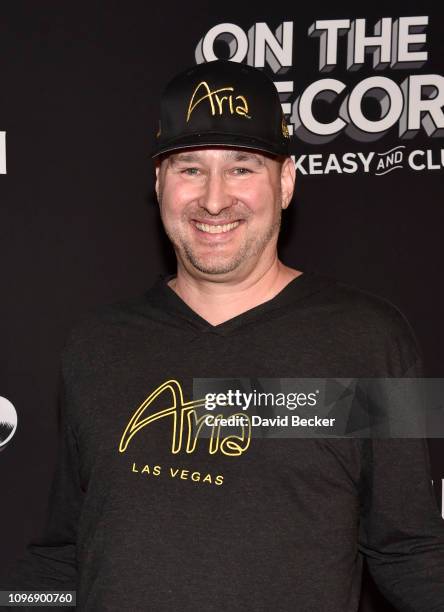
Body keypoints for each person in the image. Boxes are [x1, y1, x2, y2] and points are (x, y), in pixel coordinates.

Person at [5, 59, 444, 611]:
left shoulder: (371, 337)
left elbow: (411, 551)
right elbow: (63, 553)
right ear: (159, 182)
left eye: (242, 168)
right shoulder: (96, 342)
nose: (214, 199)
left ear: (285, 182)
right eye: (190, 168)